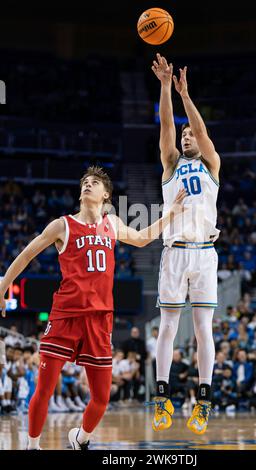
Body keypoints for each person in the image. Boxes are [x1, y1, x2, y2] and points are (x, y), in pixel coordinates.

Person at [0, 165, 186, 450]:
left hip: (100, 320)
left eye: (95, 182)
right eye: (85, 181)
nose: (88, 184)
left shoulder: (112, 224)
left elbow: (142, 238)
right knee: (45, 388)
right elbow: (26, 255)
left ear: (106, 194)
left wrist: (169, 214)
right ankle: (32, 445)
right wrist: (2, 288)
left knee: (101, 398)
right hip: (65, 315)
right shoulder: (61, 225)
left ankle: (80, 438)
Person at [151, 53, 221, 435]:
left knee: (203, 329)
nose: (186, 135)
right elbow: (166, 125)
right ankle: (162, 396)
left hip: (205, 253)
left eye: (191, 133)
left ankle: (204, 399)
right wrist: (165, 88)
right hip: (175, 252)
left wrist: (185, 96)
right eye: (184, 135)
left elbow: (200, 129)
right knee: (167, 326)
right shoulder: (170, 164)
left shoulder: (212, 162)